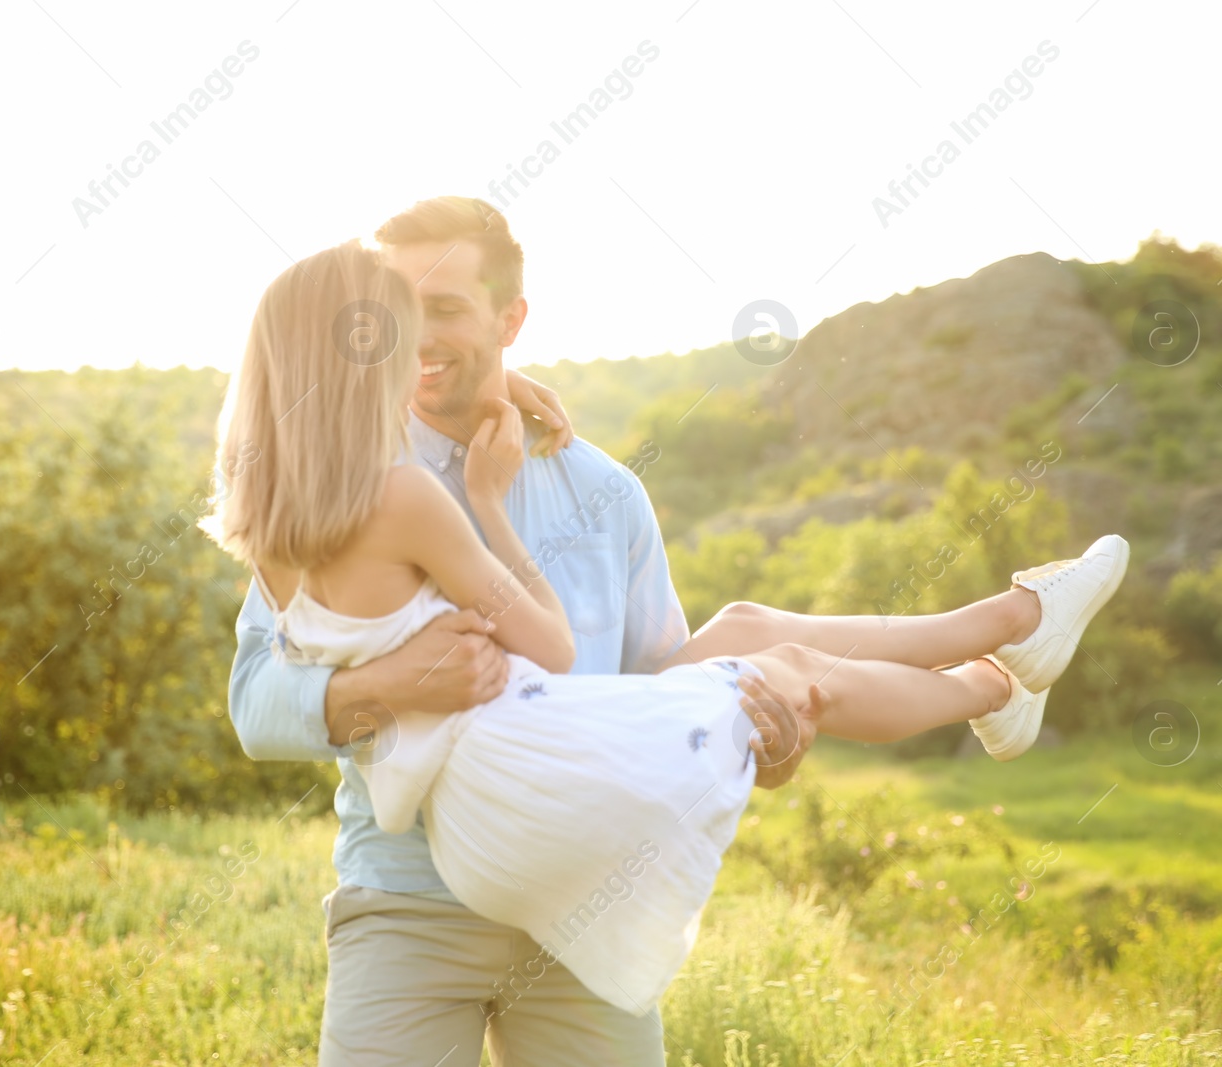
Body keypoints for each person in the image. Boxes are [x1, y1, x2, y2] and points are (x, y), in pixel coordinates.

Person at [209, 230, 1129, 1065]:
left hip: (585, 881)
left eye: (437, 311)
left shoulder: (590, 489)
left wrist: (765, 748)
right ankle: (1000, 658)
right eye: (394, 316)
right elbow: (258, 703)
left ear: (510, 319)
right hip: (416, 897)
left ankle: (1006, 648)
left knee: (745, 638)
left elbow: (654, 683)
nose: (415, 339)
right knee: (789, 662)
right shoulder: (368, 488)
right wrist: (385, 681)